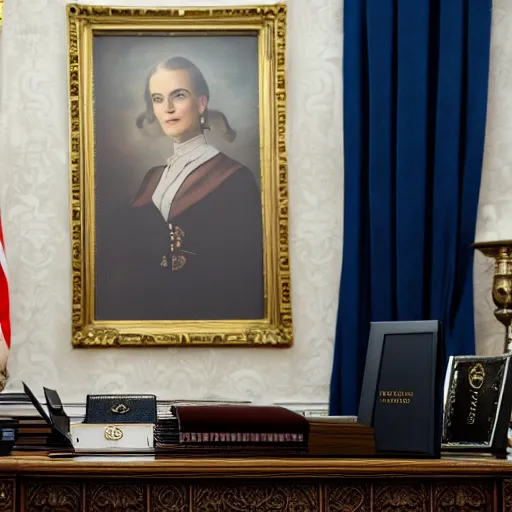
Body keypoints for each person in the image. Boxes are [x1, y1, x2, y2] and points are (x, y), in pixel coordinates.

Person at [95, 57, 264, 321]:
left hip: (208, 322)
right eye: (158, 99)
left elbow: (244, 275)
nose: (168, 108)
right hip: (143, 323)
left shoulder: (235, 179)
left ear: (201, 104)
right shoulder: (152, 178)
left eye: (179, 95)